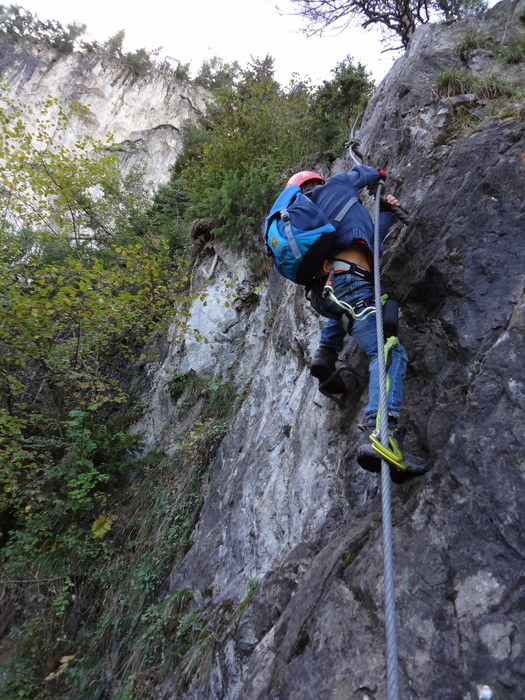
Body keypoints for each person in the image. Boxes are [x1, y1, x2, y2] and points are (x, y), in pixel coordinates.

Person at [286, 167, 427, 478]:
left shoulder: (316, 222)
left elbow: (369, 243)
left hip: (330, 291)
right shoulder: (335, 186)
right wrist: (377, 172)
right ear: (317, 182)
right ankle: (383, 435)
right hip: (349, 283)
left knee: (356, 314)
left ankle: (327, 351)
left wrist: (385, 211)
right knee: (387, 350)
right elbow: (360, 174)